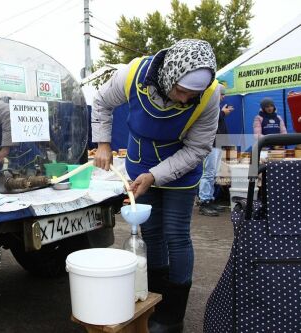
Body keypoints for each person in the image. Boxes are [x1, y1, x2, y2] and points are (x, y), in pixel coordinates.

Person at [92, 39, 220, 333]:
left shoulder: (211, 95)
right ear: (169, 75)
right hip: (140, 160)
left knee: (176, 235)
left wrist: (155, 176)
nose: (186, 100)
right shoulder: (133, 74)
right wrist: (103, 144)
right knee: (150, 233)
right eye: (181, 91)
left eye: (193, 95)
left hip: (181, 167)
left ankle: (172, 316)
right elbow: (101, 102)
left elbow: (198, 148)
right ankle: (155, 303)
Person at [198, 84, 233, 216]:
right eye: (222, 94)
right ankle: (204, 202)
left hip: (217, 144)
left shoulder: (216, 107)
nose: (223, 97)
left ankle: (210, 199)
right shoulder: (207, 105)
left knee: (213, 173)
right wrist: (223, 113)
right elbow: (208, 119)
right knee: (208, 173)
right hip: (210, 144)